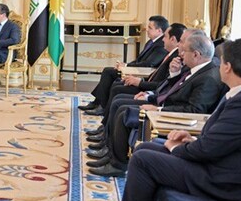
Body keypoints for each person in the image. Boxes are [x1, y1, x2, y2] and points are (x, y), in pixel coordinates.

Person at [91, 38, 241, 201]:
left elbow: (208, 150)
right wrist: (190, 140)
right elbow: (222, 142)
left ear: (228, 67)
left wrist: (177, 148)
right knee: (146, 148)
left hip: (224, 179)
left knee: (144, 160)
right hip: (219, 164)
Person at [86, 32, 224, 177]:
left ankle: (118, 165)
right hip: (165, 105)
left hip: (173, 116)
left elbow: (194, 110)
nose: (181, 53)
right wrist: (172, 76)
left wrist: (159, 109)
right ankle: (110, 152)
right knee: (120, 105)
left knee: (124, 111)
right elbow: (175, 90)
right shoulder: (198, 68)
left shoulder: (208, 77)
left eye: (185, 50)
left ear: (196, 54)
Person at [86, 23, 186, 139]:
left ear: (173, 39)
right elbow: (160, 78)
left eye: (165, 36)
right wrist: (141, 81)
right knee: (117, 87)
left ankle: (106, 134)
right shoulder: (171, 55)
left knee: (118, 95)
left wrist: (142, 85)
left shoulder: (175, 59)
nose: (163, 39)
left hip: (155, 96)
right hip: (151, 90)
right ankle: (104, 128)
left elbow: (160, 79)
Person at [80, 15, 170, 116]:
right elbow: (139, 60)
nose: (147, 30)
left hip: (142, 75)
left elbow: (148, 64)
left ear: (159, 31)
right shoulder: (151, 42)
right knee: (108, 71)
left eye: (150, 27)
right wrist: (125, 65)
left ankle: (102, 106)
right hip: (136, 70)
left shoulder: (161, 46)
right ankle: (98, 102)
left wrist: (126, 66)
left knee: (109, 72)